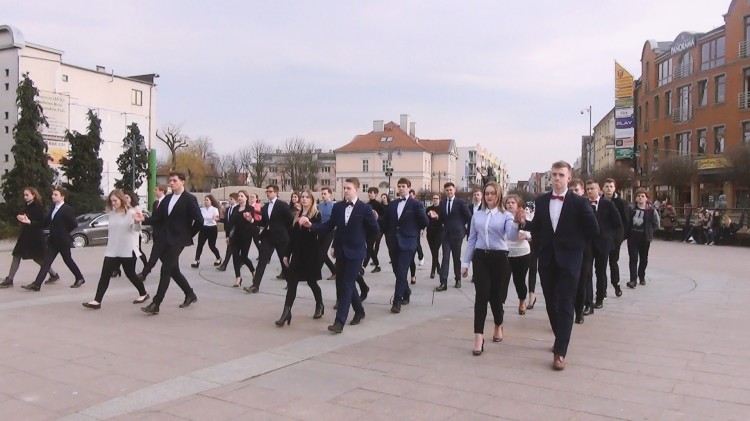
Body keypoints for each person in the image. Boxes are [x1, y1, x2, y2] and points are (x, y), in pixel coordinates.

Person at [515, 161, 599, 370]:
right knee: (551, 301)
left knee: (566, 301)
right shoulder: (542, 201)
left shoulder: (580, 203)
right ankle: (559, 335)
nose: (557, 178)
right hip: (547, 258)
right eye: (554, 175)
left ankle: (560, 351)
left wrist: (576, 244)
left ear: (569, 178)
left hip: (571, 259)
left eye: (561, 175)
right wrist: (524, 223)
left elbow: (593, 230)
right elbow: (540, 226)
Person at [300, 177, 379, 333]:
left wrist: (363, 242)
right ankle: (360, 311)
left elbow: (374, 230)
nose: (345, 191)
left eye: (348, 188)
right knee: (345, 282)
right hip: (342, 251)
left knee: (346, 285)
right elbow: (329, 226)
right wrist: (312, 226)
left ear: (357, 189)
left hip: (356, 253)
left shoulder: (364, 209)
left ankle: (339, 321)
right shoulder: (338, 207)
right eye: (344, 188)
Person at [462, 181, 519, 356]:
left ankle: (498, 324)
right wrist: (465, 263)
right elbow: (472, 239)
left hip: (499, 257)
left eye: (492, 193)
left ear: (498, 195)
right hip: (481, 257)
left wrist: (517, 222)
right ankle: (478, 337)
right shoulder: (477, 216)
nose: (489, 196)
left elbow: (511, 236)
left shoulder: (505, 215)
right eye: (487, 193)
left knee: (495, 297)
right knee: (481, 297)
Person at [140, 171, 203, 315]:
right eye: (170, 181)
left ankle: (156, 303)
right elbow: (157, 219)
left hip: (178, 240)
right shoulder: (167, 199)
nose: (171, 183)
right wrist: (143, 219)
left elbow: (199, 221)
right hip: (164, 237)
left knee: (166, 270)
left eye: (174, 180)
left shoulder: (189, 199)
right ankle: (190, 293)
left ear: (182, 182)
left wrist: (188, 235)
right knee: (173, 270)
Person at [82, 190, 149, 309]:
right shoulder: (111, 213)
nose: (113, 203)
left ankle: (143, 293)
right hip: (112, 249)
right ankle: (97, 301)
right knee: (105, 275)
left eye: (115, 200)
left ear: (121, 199)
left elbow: (136, 229)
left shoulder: (131, 212)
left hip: (128, 249)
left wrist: (137, 221)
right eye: (111, 201)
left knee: (131, 274)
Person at [379, 178, 429, 313]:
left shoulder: (415, 204)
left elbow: (424, 222)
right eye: (399, 186)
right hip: (393, 242)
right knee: (397, 271)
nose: (401, 188)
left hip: (408, 242)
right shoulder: (392, 204)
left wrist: (412, 231)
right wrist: (374, 219)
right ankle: (406, 292)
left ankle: (397, 301)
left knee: (401, 271)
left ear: (409, 187)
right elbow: (384, 222)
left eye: (403, 186)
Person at [276, 189, 325, 326]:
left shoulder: (316, 215)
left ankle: (320, 305)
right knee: (292, 283)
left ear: (312, 200)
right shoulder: (296, 214)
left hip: (310, 254)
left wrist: (309, 224)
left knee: (312, 282)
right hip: (297, 254)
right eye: (302, 197)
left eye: (307, 197)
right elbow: (293, 238)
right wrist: (287, 254)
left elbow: (318, 231)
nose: (303, 199)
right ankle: (286, 312)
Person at [22, 187, 86, 291]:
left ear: (62, 196)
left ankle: (80, 278)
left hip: (63, 241)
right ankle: (37, 285)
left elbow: (74, 224)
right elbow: (45, 223)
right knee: (46, 262)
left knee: (68, 260)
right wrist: (29, 222)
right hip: (53, 241)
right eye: (52, 194)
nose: (53, 196)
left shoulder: (67, 209)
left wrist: (64, 232)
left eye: (56, 194)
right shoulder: (52, 207)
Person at [0, 187, 59, 288]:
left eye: (27, 195)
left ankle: (53, 274)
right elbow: (26, 218)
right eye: (24, 195)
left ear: (34, 195)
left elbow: (42, 223)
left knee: (38, 258)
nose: (25, 197)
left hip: (34, 237)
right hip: (26, 236)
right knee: (17, 255)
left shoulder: (37, 207)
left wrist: (29, 222)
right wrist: (20, 217)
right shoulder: (28, 206)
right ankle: (10, 279)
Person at [244, 185, 293, 293]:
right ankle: (255, 285)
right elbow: (263, 223)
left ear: (276, 192)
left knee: (284, 261)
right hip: (268, 237)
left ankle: (291, 284)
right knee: (262, 261)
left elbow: (290, 219)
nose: (268, 193)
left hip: (281, 238)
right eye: (267, 191)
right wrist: (251, 220)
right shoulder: (265, 206)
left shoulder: (282, 205)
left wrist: (283, 230)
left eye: (270, 191)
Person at [585, 179, 622, 312]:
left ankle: (599, 298)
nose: (589, 191)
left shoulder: (608, 205)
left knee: (600, 271)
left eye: (592, 188)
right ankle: (587, 300)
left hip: (603, 243)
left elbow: (618, 224)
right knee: (587, 272)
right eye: (587, 189)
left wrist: (612, 239)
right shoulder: (583, 204)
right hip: (588, 243)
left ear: (599, 190)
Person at [431, 182, 471, 291]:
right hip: (446, 234)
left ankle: (458, 278)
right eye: (447, 190)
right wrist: (436, 217)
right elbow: (443, 219)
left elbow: (468, 217)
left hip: (457, 234)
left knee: (456, 257)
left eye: (450, 190)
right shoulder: (443, 203)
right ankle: (443, 282)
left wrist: (462, 228)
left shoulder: (460, 203)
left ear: (454, 190)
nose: (449, 192)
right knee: (445, 257)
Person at [503, 194, 532, 316]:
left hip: (521, 253)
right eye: (508, 202)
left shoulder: (525, 217)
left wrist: (526, 235)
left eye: (513, 203)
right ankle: (500, 305)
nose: (510, 204)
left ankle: (522, 300)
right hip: (505, 253)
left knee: (519, 280)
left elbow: (533, 232)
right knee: (503, 280)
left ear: (518, 205)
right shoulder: (502, 217)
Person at [626, 189, 660, 288]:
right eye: (639, 196)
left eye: (642, 196)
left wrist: (650, 231)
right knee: (633, 258)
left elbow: (656, 223)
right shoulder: (631, 209)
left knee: (644, 258)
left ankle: (641, 276)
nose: (640, 198)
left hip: (645, 238)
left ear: (646, 198)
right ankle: (633, 280)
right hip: (633, 237)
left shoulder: (651, 210)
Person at [569, 179, 592, 325]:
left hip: (584, 250)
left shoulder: (585, 206)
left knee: (581, 282)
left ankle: (579, 311)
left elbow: (594, 229)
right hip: (566, 251)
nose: (574, 193)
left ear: (582, 191)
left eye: (576, 190)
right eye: (571, 191)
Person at [601, 178, 629, 297]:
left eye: (611, 186)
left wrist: (621, 237)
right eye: (606, 186)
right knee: (601, 265)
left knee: (613, 262)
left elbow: (626, 221)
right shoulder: (599, 201)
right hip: (601, 238)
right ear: (602, 188)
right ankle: (603, 289)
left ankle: (616, 284)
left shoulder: (621, 203)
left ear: (615, 188)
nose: (608, 189)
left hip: (615, 238)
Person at [138, 185, 168, 279]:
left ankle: (144, 274)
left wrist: (144, 219)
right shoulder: (155, 203)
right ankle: (172, 271)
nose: (154, 191)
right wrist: (146, 219)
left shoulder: (167, 202)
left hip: (164, 233)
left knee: (154, 255)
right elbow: (154, 218)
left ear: (162, 191)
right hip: (156, 233)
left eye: (156, 190)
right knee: (164, 257)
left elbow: (162, 218)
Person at [230, 190, 258, 287]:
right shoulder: (235, 208)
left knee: (244, 256)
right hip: (235, 236)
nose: (240, 198)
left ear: (246, 197)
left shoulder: (250, 208)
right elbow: (231, 223)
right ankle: (238, 277)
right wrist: (227, 235)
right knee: (235, 256)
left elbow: (253, 222)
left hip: (246, 236)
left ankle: (253, 271)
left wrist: (249, 219)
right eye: (239, 196)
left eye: (242, 196)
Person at [191, 195, 222, 268]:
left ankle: (218, 258)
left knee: (212, 245)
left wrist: (216, 218)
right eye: (205, 200)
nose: (206, 201)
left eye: (207, 200)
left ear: (211, 201)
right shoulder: (202, 209)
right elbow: (199, 218)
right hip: (203, 228)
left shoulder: (214, 209)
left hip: (212, 229)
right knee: (200, 245)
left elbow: (217, 217)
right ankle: (197, 260)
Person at [363, 187, 385, 273]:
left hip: (376, 230)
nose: (369, 194)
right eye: (368, 193)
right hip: (368, 230)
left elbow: (384, 216)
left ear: (376, 194)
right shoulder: (366, 205)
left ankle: (363, 267)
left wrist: (378, 218)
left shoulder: (379, 205)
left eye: (371, 193)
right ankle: (378, 265)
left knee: (369, 248)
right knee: (371, 249)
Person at [317, 187, 336, 280]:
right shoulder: (319, 206)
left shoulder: (334, 206)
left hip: (330, 231)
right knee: (320, 252)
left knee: (322, 252)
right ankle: (335, 271)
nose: (323, 195)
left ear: (330, 194)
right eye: (322, 194)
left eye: (325, 194)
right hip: (321, 231)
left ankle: (316, 273)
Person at [217, 193, 238, 272]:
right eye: (229, 199)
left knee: (230, 248)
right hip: (229, 231)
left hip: (236, 232)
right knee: (232, 248)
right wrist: (219, 219)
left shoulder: (238, 209)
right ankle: (241, 261)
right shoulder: (228, 209)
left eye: (231, 199)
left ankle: (224, 265)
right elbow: (227, 220)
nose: (229, 200)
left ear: (235, 200)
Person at [425, 194, 442, 279]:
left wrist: (437, 216)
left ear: (439, 199)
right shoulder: (428, 208)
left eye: (437, 198)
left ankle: (433, 271)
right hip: (430, 232)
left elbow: (443, 220)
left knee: (435, 250)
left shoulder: (442, 208)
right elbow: (424, 220)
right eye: (434, 198)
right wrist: (428, 214)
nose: (435, 200)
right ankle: (438, 267)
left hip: (439, 232)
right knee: (433, 251)